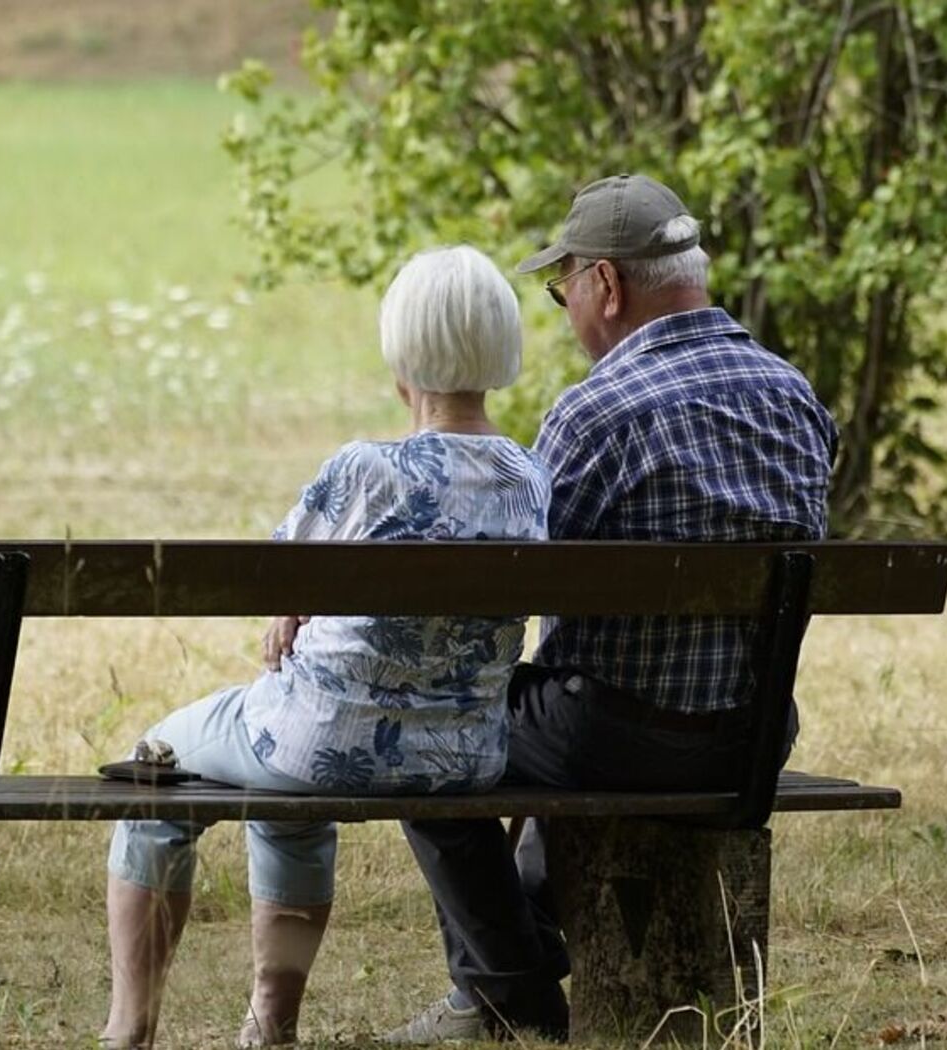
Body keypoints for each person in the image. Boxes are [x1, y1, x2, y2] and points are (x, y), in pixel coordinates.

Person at [383, 174, 838, 1043]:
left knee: (423, 729)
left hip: (617, 741)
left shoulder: (595, 413)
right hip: (752, 740)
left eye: (563, 294)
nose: (567, 313)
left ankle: (509, 995)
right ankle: (517, 962)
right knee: (568, 701)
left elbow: (517, 588)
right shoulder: (797, 398)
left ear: (606, 284)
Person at [100, 246, 551, 1049]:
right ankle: (269, 1026)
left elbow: (274, 576)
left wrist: (292, 606)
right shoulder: (529, 477)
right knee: (283, 785)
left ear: (401, 353)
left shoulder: (365, 470)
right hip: (463, 756)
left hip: (321, 741)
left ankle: (127, 1031)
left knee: (156, 765)